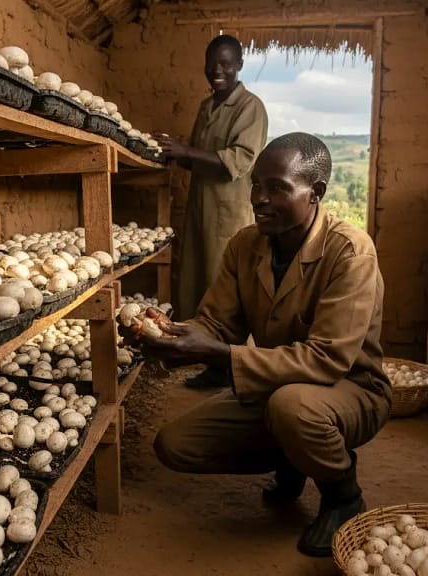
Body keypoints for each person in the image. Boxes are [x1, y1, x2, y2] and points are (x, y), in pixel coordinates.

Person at [132, 132, 391, 557]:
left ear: (316, 193)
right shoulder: (245, 246)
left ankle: (343, 495)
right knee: (176, 444)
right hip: (278, 389)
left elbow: (327, 361)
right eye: (256, 184)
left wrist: (217, 354)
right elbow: (217, 323)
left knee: (292, 408)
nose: (259, 198)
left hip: (351, 390)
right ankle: (294, 457)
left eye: (277, 188)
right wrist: (168, 335)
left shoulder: (350, 253)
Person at [156, 34, 268, 390]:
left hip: (229, 215)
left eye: (226, 63)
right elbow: (197, 159)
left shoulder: (251, 107)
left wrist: (185, 152)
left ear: (239, 66)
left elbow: (237, 162)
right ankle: (208, 363)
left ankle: (234, 369)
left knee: (227, 295)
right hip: (201, 210)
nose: (217, 71)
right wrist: (170, 153)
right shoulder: (207, 108)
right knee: (199, 287)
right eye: (212, 63)